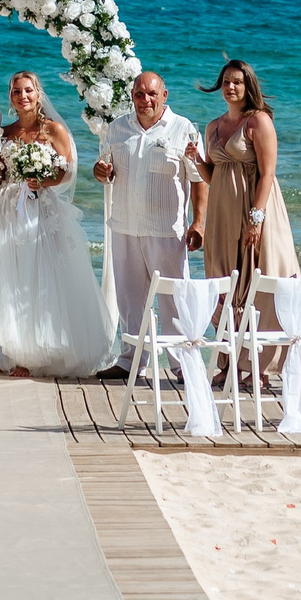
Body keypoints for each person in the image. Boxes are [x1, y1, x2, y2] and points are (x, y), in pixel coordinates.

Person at [0, 70, 118, 378]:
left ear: (38, 94)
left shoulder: (53, 129)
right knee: (9, 278)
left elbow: (67, 172)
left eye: (28, 90)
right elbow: (0, 176)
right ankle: (17, 350)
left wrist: (43, 181)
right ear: (11, 97)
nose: (22, 96)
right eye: (16, 92)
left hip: (40, 211)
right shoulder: (5, 131)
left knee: (39, 278)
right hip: (6, 210)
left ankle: (42, 349)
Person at [91, 71, 204, 379]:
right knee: (129, 298)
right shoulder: (116, 129)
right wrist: (102, 172)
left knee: (173, 299)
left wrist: (199, 222)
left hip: (166, 230)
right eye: (139, 94)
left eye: (152, 94)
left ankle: (182, 364)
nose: (145, 100)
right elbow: (106, 171)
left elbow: (199, 179)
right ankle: (130, 361)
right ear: (132, 96)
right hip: (125, 225)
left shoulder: (184, 129)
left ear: (164, 96)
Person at [193, 58, 300, 367]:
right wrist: (197, 161)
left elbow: (267, 174)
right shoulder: (213, 126)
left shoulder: (259, 122)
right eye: (226, 81)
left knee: (261, 279)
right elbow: (216, 177)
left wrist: (256, 217)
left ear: (248, 85)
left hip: (258, 212)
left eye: (237, 82)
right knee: (226, 285)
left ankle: (259, 365)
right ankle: (228, 363)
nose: (230, 87)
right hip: (223, 217)